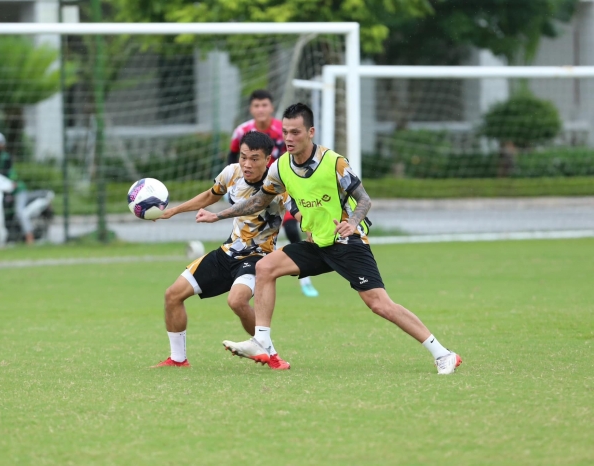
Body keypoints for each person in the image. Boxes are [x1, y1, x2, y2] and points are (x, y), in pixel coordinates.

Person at [196, 103, 462, 375]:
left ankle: (443, 353)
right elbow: (257, 202)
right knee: (265, 267)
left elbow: (364, 200)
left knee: (379, 304)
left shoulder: (334, 162)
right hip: (316, 245)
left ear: (310, 132)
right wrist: (219, 215)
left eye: (295, 132)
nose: (289, 138)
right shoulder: (280, 167)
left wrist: (353, 223)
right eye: (286, 132)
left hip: (347, 243)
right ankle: (261, 340)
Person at [152, 131, 294, 370]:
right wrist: (174, 211)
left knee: (237, 301)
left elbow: (296, 211)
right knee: (172, 295)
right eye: (244, 157)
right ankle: (178, 359)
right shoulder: (232, 172)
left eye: (255, 158)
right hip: (228, 252)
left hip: (257, 257)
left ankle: (271, 355)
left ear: (268, 160)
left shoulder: (278, 185)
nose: (247, 164)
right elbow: (210, 195)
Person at [229, 89, 319, 298]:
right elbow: (232, 155)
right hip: (253, 190)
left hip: (283, 188)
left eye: (264, 105)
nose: (260, 109)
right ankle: (244, 272)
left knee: (291, 226)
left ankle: (305, 278)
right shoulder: (242, 131)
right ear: (251, 109)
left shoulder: (284, 130)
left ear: (271, 107)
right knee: (249, 231)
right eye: (256, 106)